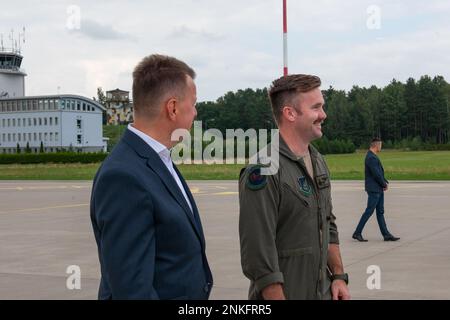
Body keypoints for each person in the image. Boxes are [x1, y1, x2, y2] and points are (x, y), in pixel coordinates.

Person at [90, 54, 213, 299]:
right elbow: (132, 289)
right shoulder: (123, 176)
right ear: (173, 108)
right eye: (194, 103)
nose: (196, 112)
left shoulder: (157, 159)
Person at [239, 74, 350, 300]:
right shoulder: (263, 170)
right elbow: (258, 255)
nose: (323, 115)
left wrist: (338, 277)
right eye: (316, 107)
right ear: (290, 113)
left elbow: (327, 223)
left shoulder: (317, 160)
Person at [352, 138, 400, 242]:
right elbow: (376, 174)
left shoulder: (372, 156)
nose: (381, 147)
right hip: (374, 189)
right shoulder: (371, 157)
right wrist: (383, 183)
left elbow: (378, 173)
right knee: (369, 211)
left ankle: (386, 234)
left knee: (380, 212)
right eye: (380, 145)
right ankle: (357, 232)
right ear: (376, 145)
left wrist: (384, 181)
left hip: (378, 188)